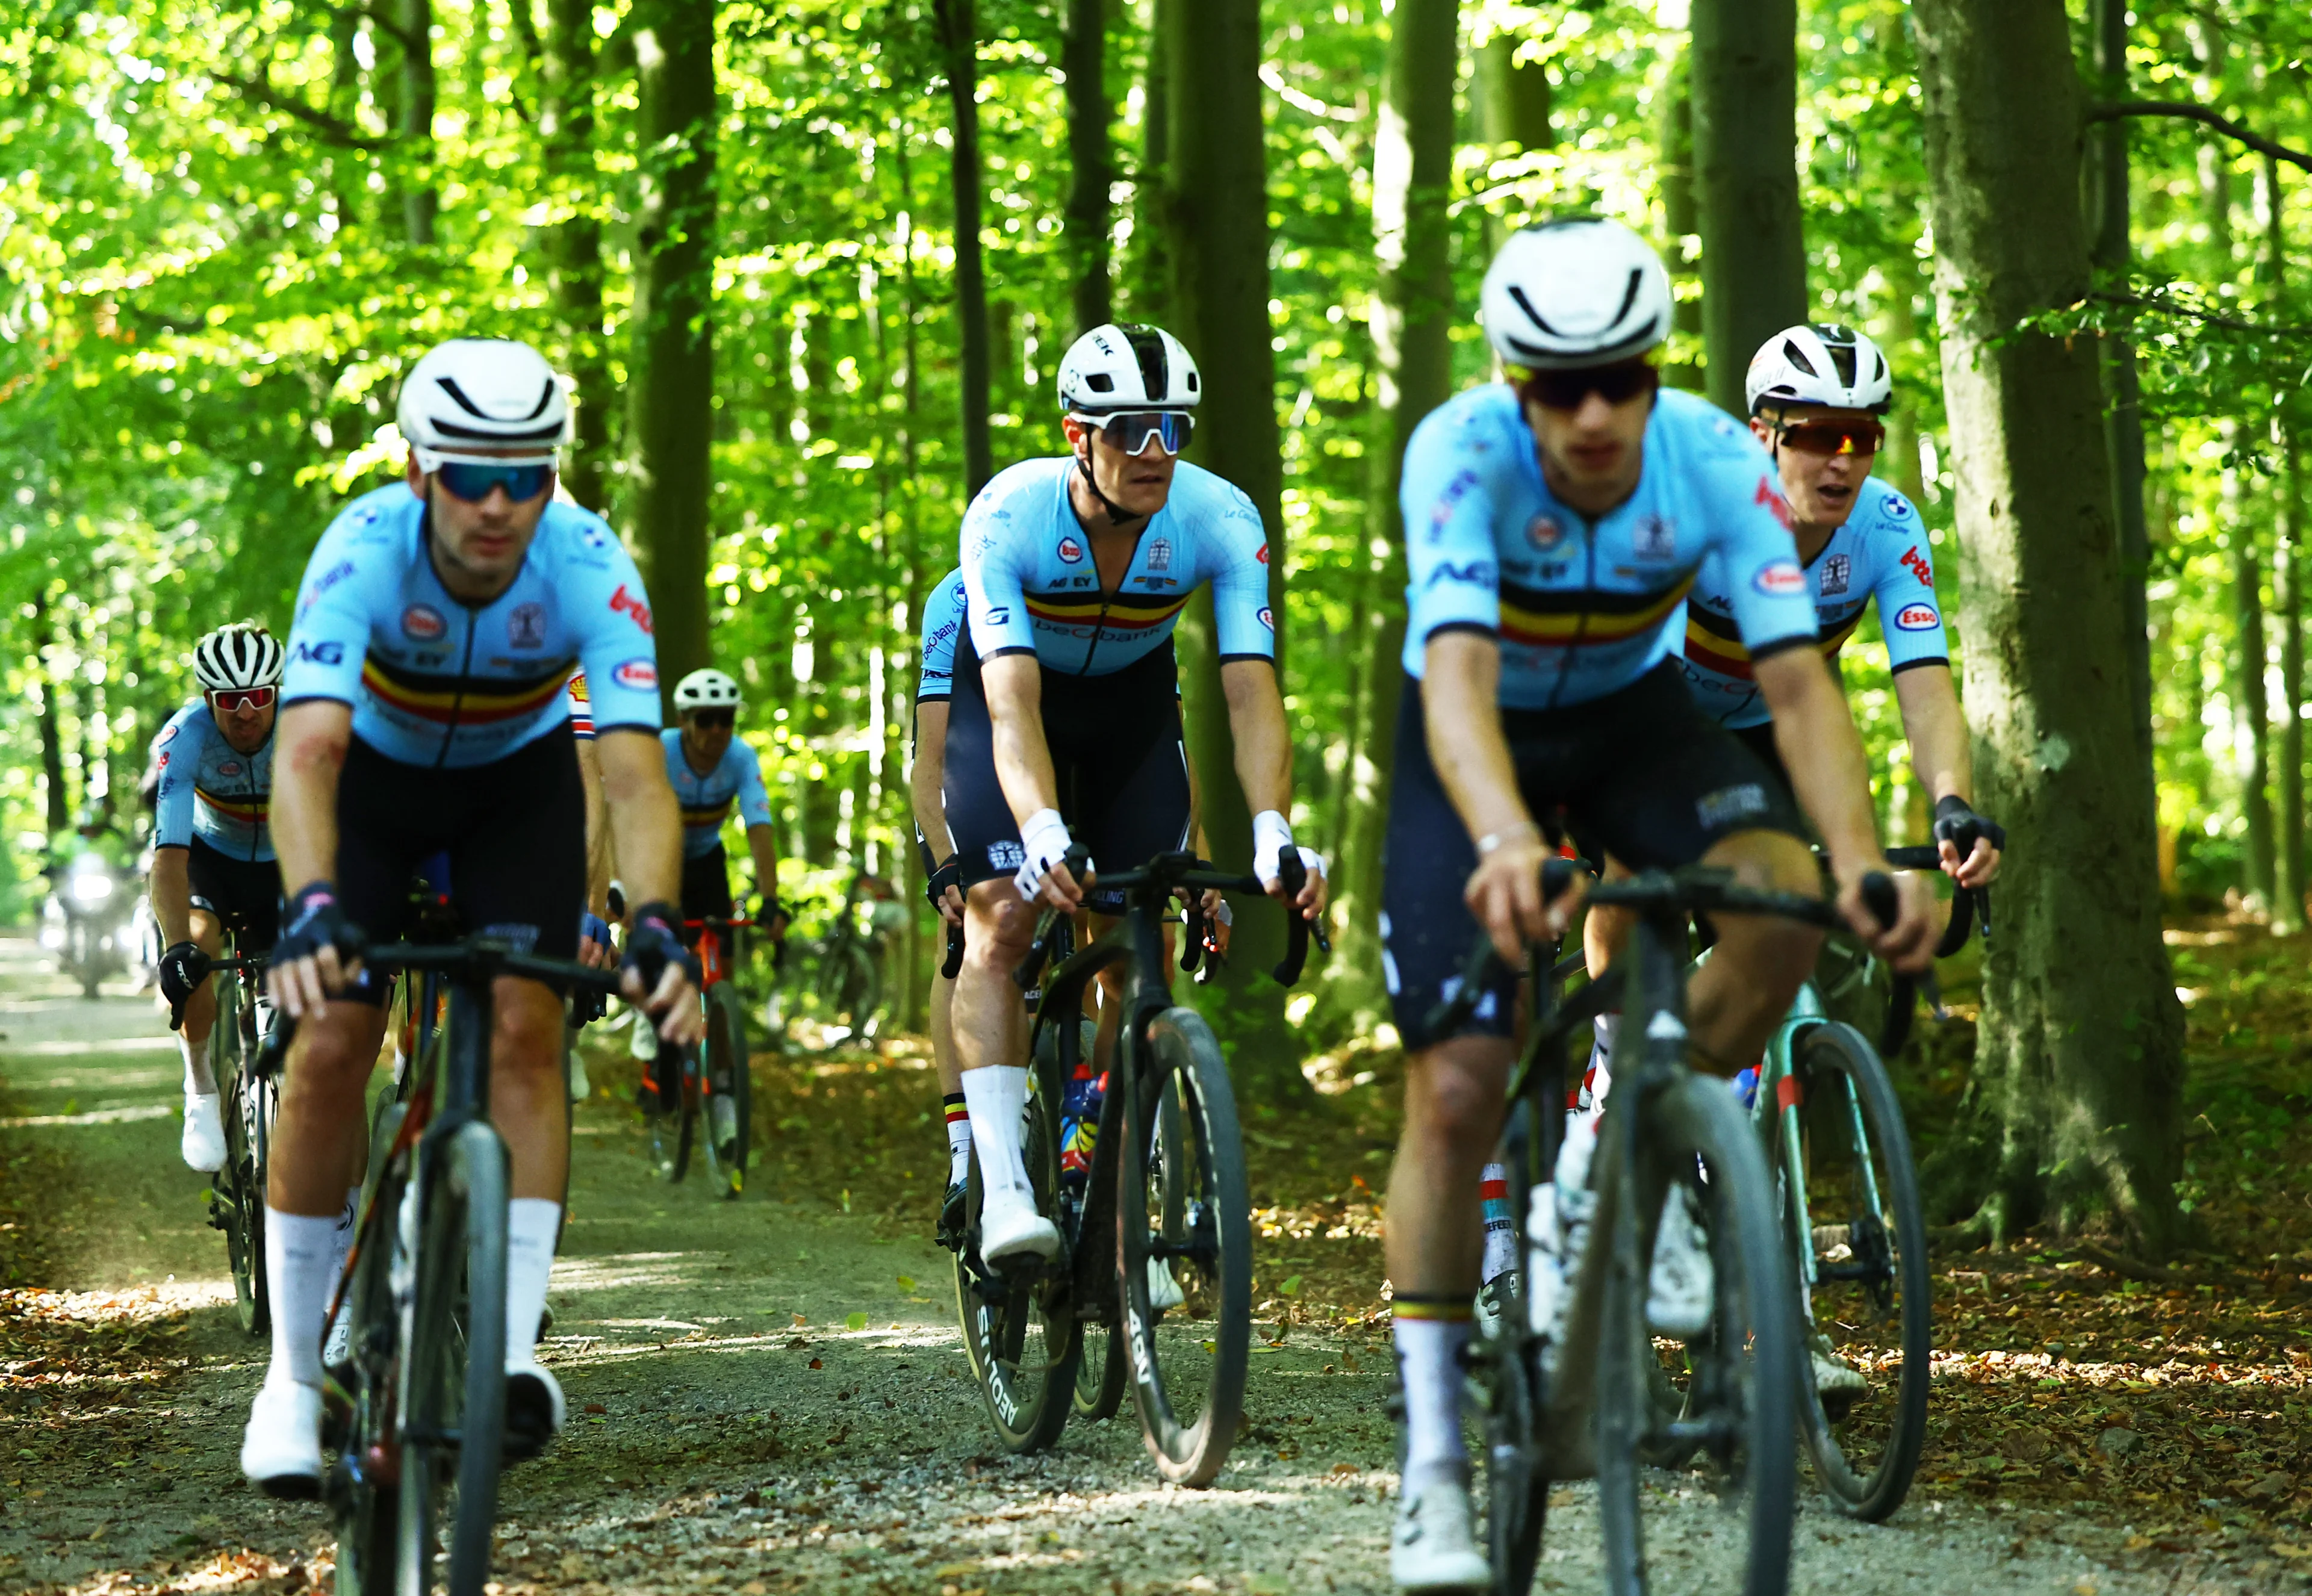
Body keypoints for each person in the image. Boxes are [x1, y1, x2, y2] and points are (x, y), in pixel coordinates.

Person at [1375, 219, 1939, 1592]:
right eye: (1554, 385)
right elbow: (1451, 674)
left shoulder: (1703, 457)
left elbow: (1799, 683)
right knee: (1455, 1086)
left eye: (1615, 380)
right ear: (1512, 382)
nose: (1587, 413)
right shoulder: (1457, 452)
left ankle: (1606, 1160)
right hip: (1478, 736)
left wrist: (1863, 855)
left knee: (1785, 908)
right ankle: (1435, 1464)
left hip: (1635, 719)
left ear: (1651, 375)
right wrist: (1506, 833)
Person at [240, 337, 704, 1497]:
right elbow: (304, 754)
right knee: (336, 1034)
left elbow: (641, 781)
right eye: (470, 476)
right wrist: (305, 909)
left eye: (527, 476)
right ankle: (295, 1380)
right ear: (417, 472)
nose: (500, 506)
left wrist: (650, 922)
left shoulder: (591, 562)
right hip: (371, 798)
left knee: (526, 1026)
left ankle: (504, 1354)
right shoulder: (360, 551)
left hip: (515, 795)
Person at [945, 321, 1327, 1268]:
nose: (1156, 452)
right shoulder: (1008, 517)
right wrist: (1037, 824)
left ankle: (1096, 1147)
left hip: (1131, 716)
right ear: (1079, 433)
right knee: (999, 922)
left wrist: (1275, 827)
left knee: (1138, 939)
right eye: (1130, 430)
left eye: (1175, 429)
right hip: (1009, 702)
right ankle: (1001, 1187)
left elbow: (1249, 690)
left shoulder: (1222, 518)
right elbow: (1010, 704)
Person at [148, 624, 284, 1172]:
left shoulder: (310, 724)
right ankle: (200, 1086)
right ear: (208, 699)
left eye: (259, 698)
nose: (246, 713)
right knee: (196, 948)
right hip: (210, 856)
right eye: (230, 700)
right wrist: (176, 946)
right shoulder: (186, 737)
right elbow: (169, 857)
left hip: (284, 860)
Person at [634, 667, 783, 1155]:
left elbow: (758, 822)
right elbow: (633, 816)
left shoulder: (740, 757)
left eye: (726, 720)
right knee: (663, 952)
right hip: (663, 857)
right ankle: (653, 1039)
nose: (717, 731)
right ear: (685, 719)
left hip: (708, 863)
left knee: (721, 974)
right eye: (706, 720)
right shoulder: (662, 750)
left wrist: (771, 897)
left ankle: (722, 1096)